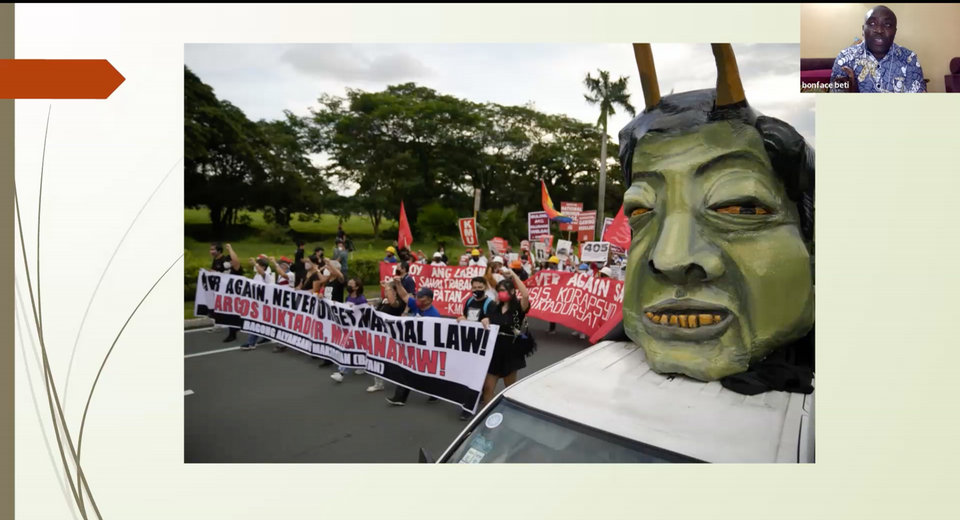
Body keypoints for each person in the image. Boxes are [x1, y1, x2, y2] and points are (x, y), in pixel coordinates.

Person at [830, 6, 925, 94]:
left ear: (895, 32)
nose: (879, 30)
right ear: (863, 30)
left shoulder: (909, 59)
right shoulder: (845, 58)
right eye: (872, 23)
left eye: (887, 24)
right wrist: (852, 92)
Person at [481, 269, 532, 411]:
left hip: (510, 351)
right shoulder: (494, 308)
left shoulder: (518, 308)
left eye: (503, 290)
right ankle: (486, 415)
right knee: (488, 387)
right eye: (498, 290)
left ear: (512, 291)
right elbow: (488, 320)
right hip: (494, 350)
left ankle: (511, 412)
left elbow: (526, 295)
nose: (500, 293)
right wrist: (485, 320)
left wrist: (513, 276)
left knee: (509, 387)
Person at [385, 284, 442, 405]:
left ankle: (436, 392)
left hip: (426, 348)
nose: (417, 299)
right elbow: (404, 295)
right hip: (414, 346)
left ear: (429, 300)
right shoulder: (417, 306)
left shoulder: (434, 315)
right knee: (407, 369)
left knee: (426, 372)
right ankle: (400, 397)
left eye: (420, 297)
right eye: (417, 296)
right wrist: (398, 283)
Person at [456, 276, 494, 420]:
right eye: (474, 288)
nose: (477, 290)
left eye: (480, 288)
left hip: (482, 345)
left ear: (485, 288)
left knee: (476, 376)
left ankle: (469, 406)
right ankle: (475, 399)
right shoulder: (469, 301)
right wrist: (461, 318)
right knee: (470, 375)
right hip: (469, 343)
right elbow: (466, 316)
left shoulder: (489, 304)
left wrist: (488, 320)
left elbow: (493, 321)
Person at [366, 280, 406, 393]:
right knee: (378, 357)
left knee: (393, 359)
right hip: (379, 334)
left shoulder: (399, 302)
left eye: (389, 290)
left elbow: (393, 303)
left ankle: (401, 380)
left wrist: (388, 287)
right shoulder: (384, 301)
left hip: (391, 335)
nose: (386, 291)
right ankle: (378, 382)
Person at [209, 243, 244, 342]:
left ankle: (233, 332)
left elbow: (236, 261)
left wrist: (230, 249)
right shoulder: (222, 267)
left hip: (233, 294)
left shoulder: (236, 269)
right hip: (223, 293)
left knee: (232, 313)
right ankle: (234, 328)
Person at [240, 258, 275, 351]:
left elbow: (261, 272)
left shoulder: (267, 275)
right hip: (256, 302)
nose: (255, 267)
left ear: (262, 267)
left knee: (255, 322)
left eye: (258, 266)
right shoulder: (257, 275)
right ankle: (267, 337)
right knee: (262, 322)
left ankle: (250, 343)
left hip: (263, 304)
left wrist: (255, 263)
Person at [544, 256, 560, 335]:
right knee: (550, 310)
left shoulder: (561, 272)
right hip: (549, 293)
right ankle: (551, 327)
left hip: (556, 293)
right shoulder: (547, 271)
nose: (550, 264)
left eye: (551, 263)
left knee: (553, 311)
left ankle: (552, 328)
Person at [330, 238, 350, 303]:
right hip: (345, 268)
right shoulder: (345, 252)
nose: (339, 247)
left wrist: (329, 262)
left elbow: (337, 261)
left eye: (340, 246)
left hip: (342, 269)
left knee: (341, 283)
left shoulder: (342, 254)